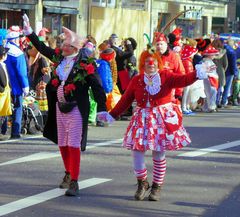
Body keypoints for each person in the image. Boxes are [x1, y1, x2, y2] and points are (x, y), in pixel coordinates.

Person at [98, 48, 208, 201]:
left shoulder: (166, 76)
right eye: (147, 61)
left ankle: (157, 186)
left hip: (160, 118)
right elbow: (126, 99)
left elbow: (184, 80)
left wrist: (198, 72)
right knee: (137, 151)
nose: (151, 63)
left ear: (158, 63)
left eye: (154, 61)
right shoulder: (137, 79)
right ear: (143, 64)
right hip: (141, 117)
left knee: (158, 152)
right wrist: (112, 115)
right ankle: (142, 183)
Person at [23, 14, 107, 196]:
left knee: (73, 144)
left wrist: (102, 109)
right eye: (62, 44)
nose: (61, 47)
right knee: (62, 143)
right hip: (59, 107)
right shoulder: (60, 59)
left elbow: (98, 87)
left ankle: (75, 181)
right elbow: (42, 48)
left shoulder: (86, 64)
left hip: (76, 108)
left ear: (74, 47)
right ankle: (68, 173)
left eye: (65, 44)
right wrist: (30, 33)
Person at [5, 25, 29, 139]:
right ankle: (15, 132)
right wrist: (26, 87)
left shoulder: (4, 50)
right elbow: (21, 73)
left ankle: (3, 130)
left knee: (4, 108)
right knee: (17, 108)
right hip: (16, 87)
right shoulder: (17, 53)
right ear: (15, 39)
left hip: (4, 85)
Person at [0, 45, 11, 140]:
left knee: (3, 113)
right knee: (1, 113)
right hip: (1, 93)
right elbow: (3, 81)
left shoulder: (3, 65)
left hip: (5, 93)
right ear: (2, 55)